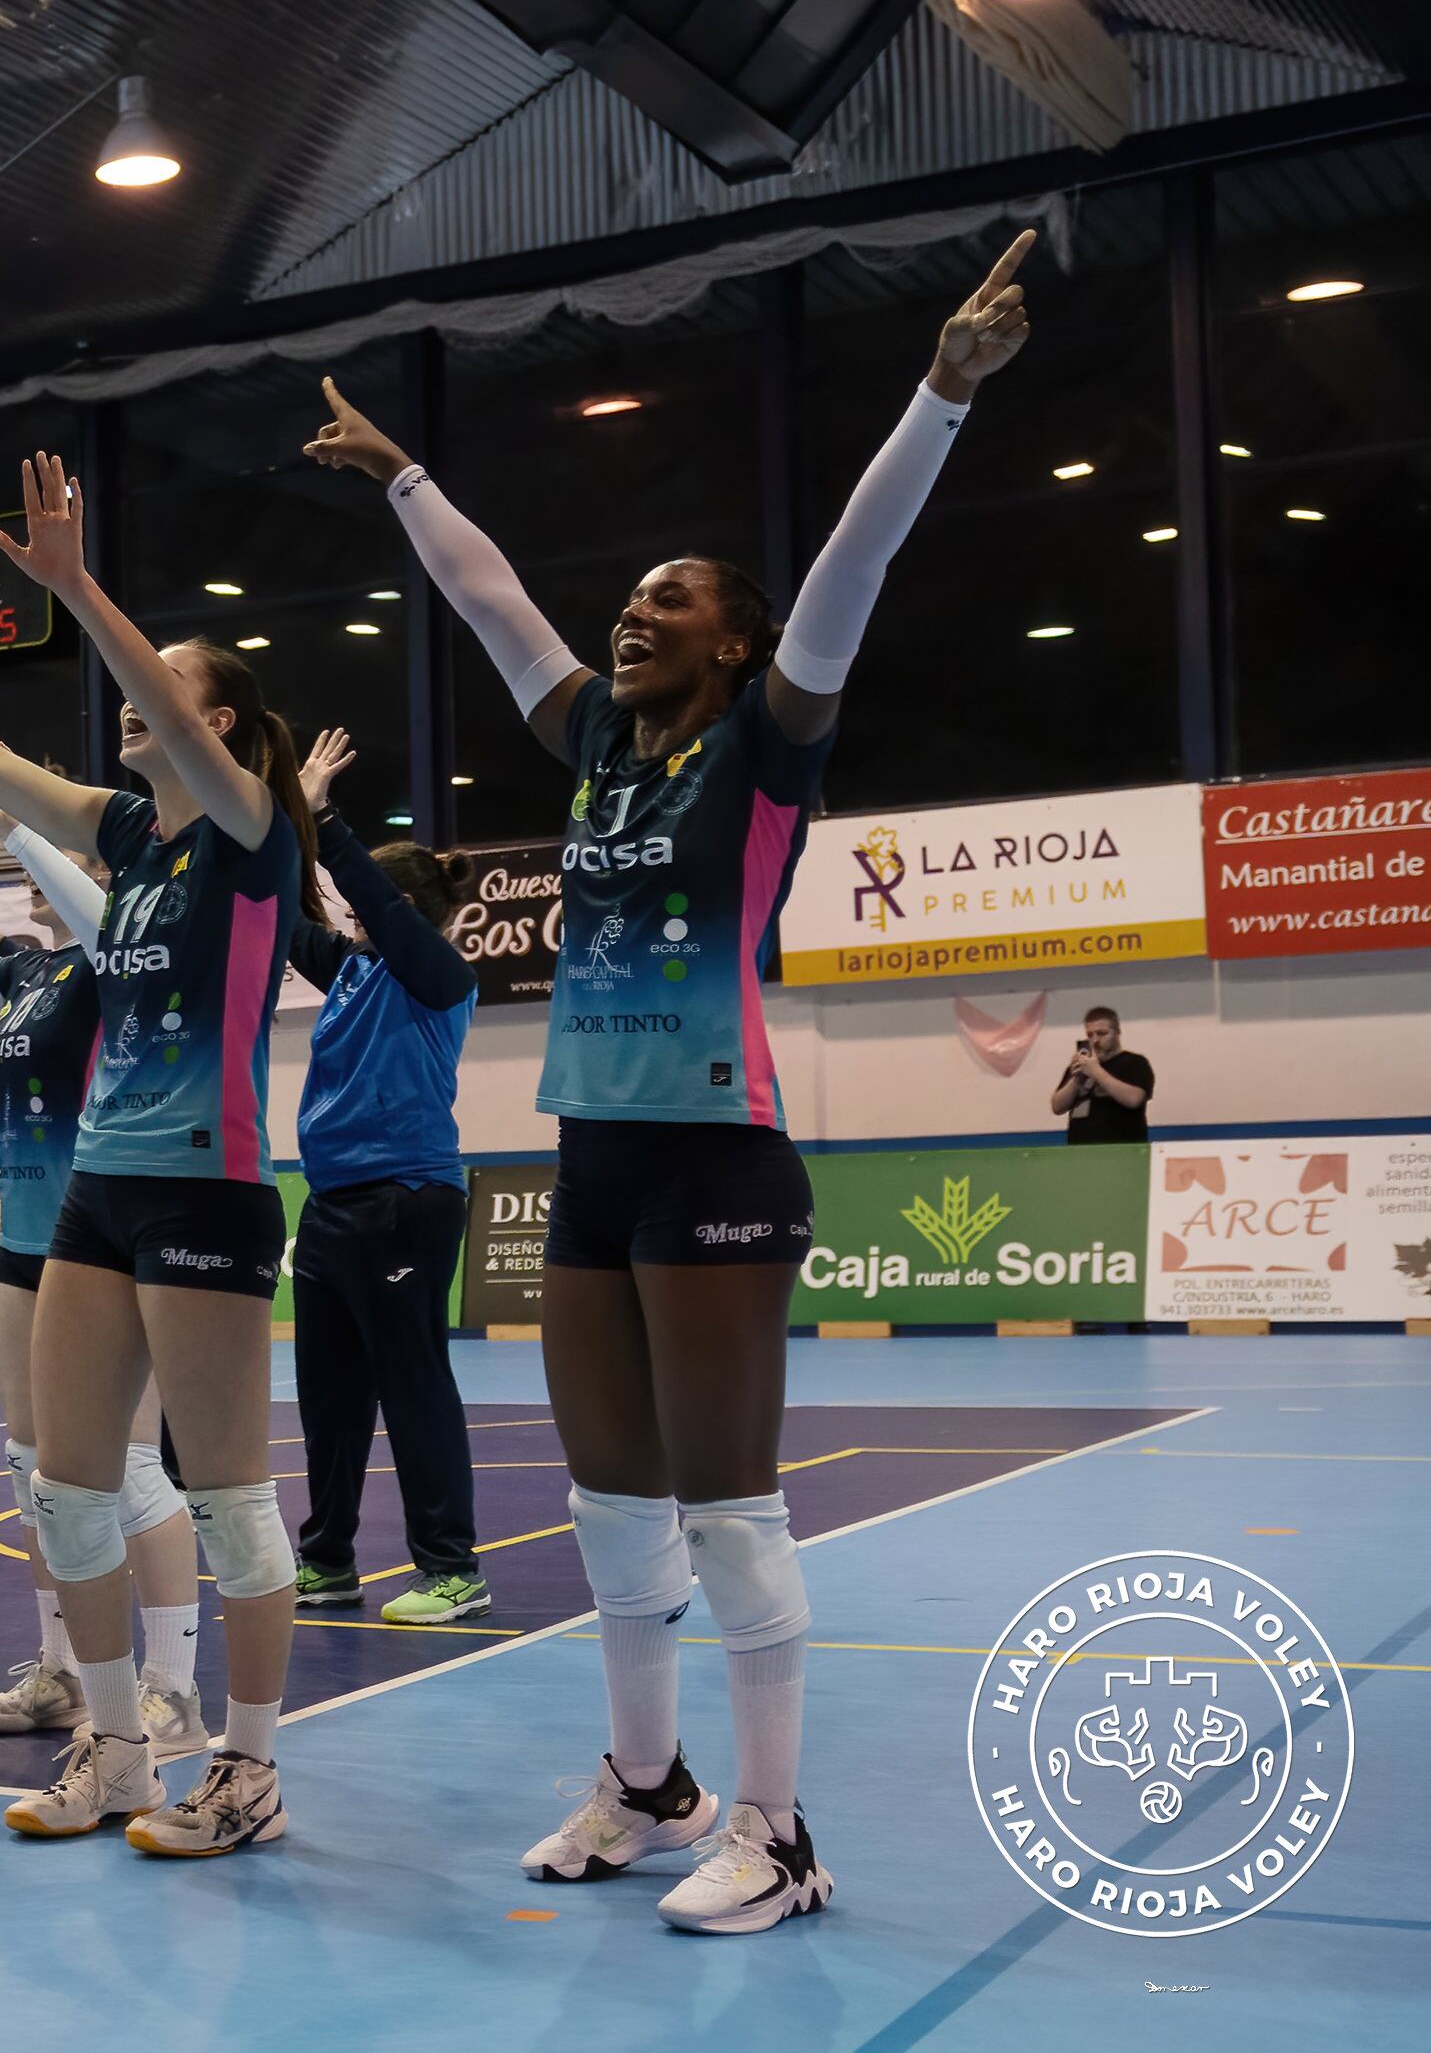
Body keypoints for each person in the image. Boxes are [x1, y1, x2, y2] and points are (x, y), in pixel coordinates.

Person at [315, 230, 1038, 1932]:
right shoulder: (590, 748)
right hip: (592, 1160)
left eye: (667, 601)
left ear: (730, 649)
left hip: (719, 1154)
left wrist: (938, 395)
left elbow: (851, 571)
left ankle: (778, 1831)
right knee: (608, 1510)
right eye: (628, 598)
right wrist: (405, 476)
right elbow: (494, 605)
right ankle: (648, 1785)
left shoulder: (766, 746)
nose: (631, 614)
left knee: (725, 1509)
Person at [0, 466, 321, 1857]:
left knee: (224, 1495)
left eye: (163, 696)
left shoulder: (247, 837)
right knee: (64, 1484)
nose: (125, 718)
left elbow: (165, 715)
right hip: (96, 1186)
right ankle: (110, 1747)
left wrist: (75, 587)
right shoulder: (131, 837)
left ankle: (250, 1768)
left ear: (209, 721)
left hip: (206, 1190)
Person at [0, 765, 213, 1760]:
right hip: (28, 1244)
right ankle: (63, 1668)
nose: (44, 861)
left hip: (108, 1240)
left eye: (66, 847)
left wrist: (14, 829)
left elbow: (110, 921)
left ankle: (175, 1692)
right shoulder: (29, 973)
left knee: (132, 1473)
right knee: (36, 1472)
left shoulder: (134, 957)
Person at [278, 729, 488, 1627]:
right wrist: (274, 817)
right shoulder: (353, 970)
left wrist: (327, 818)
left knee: (411, 1383)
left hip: (406, 1199)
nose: (348, 908)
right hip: (329, 1204)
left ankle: (451, 1568)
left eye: (365, 900)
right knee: (327, 1394)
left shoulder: (439, 973)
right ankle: (326, 1561)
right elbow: (288, 913)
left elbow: (369, 901)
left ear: (398, 905)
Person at [1048, 1007, 1153, 1144]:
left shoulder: (1134, 1062)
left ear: (1117, 1032)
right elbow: (1057, 1107)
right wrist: (1077, 1079)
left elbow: (1134, 1099)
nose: (1095, 1040)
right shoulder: (1080, 1067)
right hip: (1080, 1152)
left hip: (1122, 1151)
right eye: (1090, 1035)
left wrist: (1096, 1072)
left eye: (1102, 1033)